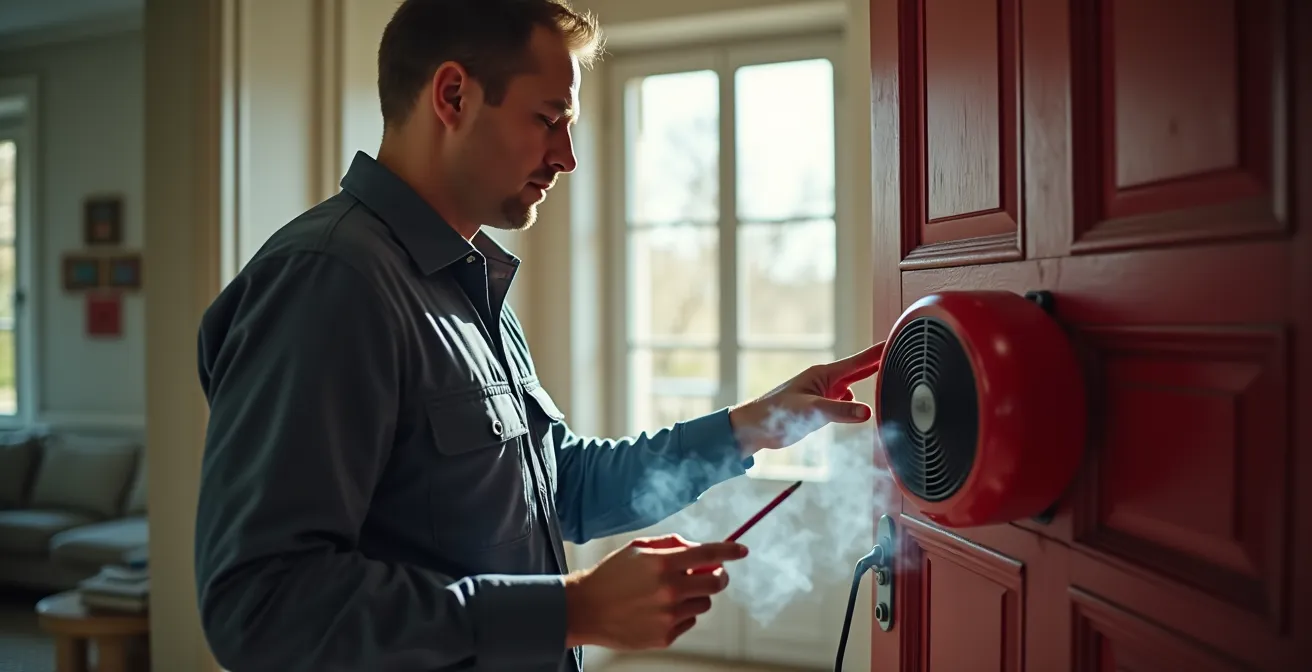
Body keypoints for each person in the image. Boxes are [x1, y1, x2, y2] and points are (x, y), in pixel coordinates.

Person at [192, 1, 885, 670]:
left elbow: (564, 486)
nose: (568, 157)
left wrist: (752, 428)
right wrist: (569, 610)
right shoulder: (330, 281)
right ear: (453, 96)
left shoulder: (466, 283)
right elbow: (261, 608)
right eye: (549, 119)